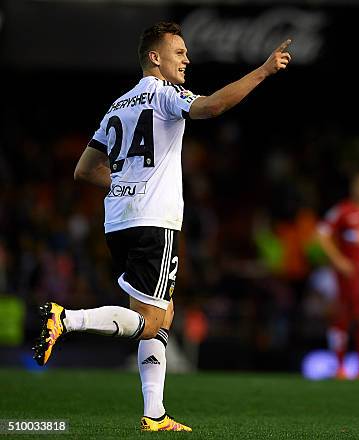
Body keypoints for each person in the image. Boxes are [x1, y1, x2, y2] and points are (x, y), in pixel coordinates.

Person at [32, 21, 292, 431]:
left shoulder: (118, 104)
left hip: (118, 220)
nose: (187, 59)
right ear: (155, 58)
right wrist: (262, 71)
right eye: (180, 52)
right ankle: (67, 319)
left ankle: (154, 413)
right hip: (154, 221)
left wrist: (125, 182)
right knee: (151, 321)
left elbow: (84, 170)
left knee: (163, 313)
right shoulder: (165, 93)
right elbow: (211, 107)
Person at [317, 171, 359, 380]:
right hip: (348, 274)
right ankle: (339, 366)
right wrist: (338, 260)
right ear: (354, 187)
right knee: (344, 316)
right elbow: (321, 234)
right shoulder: (342, 210)